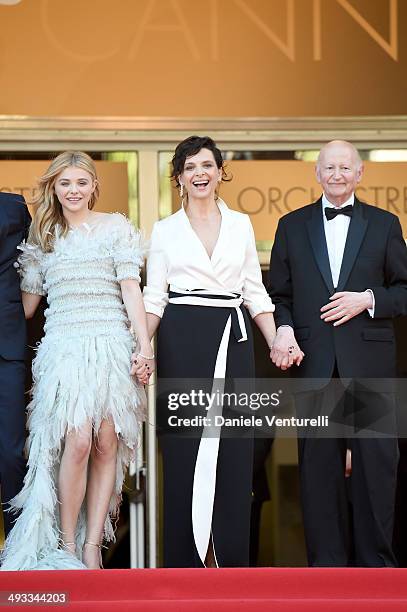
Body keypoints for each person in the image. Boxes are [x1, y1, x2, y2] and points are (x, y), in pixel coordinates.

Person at [1, 151, 152, 570]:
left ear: (93, 187)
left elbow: (131, 290)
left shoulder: (115, 228)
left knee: (107, 443)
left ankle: (91, 547)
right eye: (65, 183)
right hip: (64, 350)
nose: (74, 191)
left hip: (110, 346)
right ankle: (66, 544)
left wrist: (144, 345)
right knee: (78, 440)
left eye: (81, 183)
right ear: (54, 187)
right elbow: (24, 307)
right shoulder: (42, 239)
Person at [269, 140, 407, 567]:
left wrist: (366, 299)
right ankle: (325, 576)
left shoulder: (385, 224)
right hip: (315, 365)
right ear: (317, 173)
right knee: (318, 474)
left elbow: (403, 291)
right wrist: (285, 329)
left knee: (375, 474)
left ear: (360, 173)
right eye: (329, 167)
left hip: (369, 365)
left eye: (345, 168)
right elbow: (279, 295)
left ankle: (377, 572)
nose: (337, 175)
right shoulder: (291, 225)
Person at [141, 135, 276, 568]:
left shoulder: (241, 224)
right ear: (179, 177)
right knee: (185, 448)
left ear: (220, 172)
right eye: (190, 167)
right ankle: (184, 566)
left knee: (234, 451)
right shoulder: (164, 230)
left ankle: (229, 563)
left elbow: (255, 291)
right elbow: (153, 298)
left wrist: (275, 341)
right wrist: (142, 350)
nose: (199, 173)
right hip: (183, 339)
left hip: (235, 341)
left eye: (207, 165)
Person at [0, 192, 31, 539]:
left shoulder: (14, 207)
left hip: (5, 345)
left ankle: (18, 550)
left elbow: (33, 269)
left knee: (10, 452)